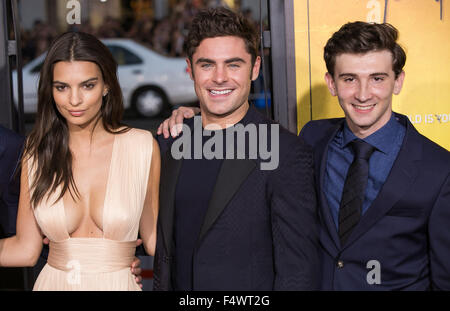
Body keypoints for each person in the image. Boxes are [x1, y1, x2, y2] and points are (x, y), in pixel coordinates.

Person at [157, 21, 450, 290]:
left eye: (377, 78)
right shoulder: (313, 138)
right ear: (332, 84)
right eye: (349, 79)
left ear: (397, 82)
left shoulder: (438, 169)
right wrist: (196, 117)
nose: (363, 94)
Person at [152, 7, 319, 291]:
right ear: (190, 69)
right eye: (207, 65)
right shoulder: (170, 141)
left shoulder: (285, 152)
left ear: (254, 68)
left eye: (233, 64)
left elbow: (298, 272)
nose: (219, 77)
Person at [0, 31, 159, 291]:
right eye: (62, 87)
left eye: (88, 85)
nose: (74, 100)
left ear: (107, 85)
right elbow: (25, 250)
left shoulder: (141, 146)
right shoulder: (37, 150)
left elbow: (155, 243)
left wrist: (199, 119)